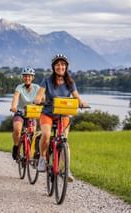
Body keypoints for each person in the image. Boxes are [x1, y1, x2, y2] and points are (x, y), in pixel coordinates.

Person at [34, 54, 88, 182]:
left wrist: (81, 103)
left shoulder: (70, 82)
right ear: (53, 67)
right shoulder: (46, 80)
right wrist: (38, 100)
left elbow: (76, 96)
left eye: (63, 64)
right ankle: (42, 158)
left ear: (66, 67)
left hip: (63, 114)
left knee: (64, 140)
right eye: (58, 64)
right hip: (47, 113)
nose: (60, 67)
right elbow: (40, 94)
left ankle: (67, 169)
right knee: (46, 135)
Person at [10, 66, 40, 160]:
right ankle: (15, 147)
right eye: (25, 76)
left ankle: (29, 152)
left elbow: (42, 98)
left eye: (29, 76)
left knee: (33, 134)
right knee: (17, 129)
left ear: (33, 78)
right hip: (20, 112)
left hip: (32, 113)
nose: (27, 78)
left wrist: (43, 103)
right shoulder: (20, 87)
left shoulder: (37, 87)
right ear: (23, 77)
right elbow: (15, 97)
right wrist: (13, 107)